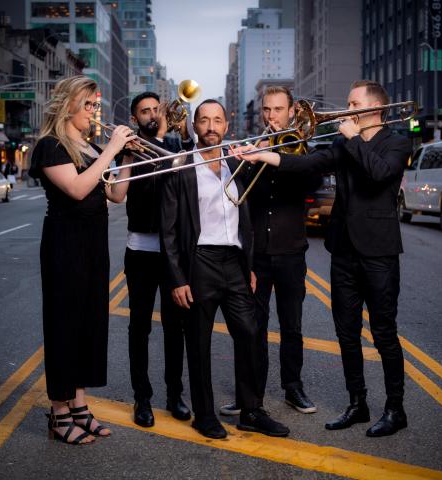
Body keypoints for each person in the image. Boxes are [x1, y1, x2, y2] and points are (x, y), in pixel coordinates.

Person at [232, 80, 412, 437]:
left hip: (378, 252)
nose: (344, 109)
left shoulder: (397, 142)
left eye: (352, 103)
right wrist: (265, 155)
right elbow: (309, 165)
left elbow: (379, 174)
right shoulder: (342, 142)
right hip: (343, 250)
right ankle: (357, 403)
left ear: (373, 109)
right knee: (347, 334)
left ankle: (395, 409)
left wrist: (355, 139)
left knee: (383, 333)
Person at [160, 99, 289, 440]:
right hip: (199, 260)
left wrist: (247, 264)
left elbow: (243, 218)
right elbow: (168, 230)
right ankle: (204, 415)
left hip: (233, 261)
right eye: (204, 120)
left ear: (227, 125)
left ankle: (251, 410)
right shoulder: (181, 165)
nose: (211, 126)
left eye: (217, 120)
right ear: (195, 126)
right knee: (199, 342)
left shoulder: (235, 162)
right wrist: (177, 278)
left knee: (249, 332)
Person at [29, 75, 136, 445]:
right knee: (64, 326)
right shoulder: (50, 146)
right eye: (89, 105)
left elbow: (116, 194)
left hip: (93, 243)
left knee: (90, 324)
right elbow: (76, 189)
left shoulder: (91, 147)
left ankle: (79, 406)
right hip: (64, 245)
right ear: (68, 105)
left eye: (96, 105)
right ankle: (59, 414)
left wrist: (127, 157)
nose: (95, 112)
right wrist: (112, 149)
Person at [220, 86, 318, 417]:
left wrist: (273, 154)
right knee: (253, 327)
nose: (271, 116)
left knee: (292, 325)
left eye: (278, 109)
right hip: (257, 255)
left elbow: (311, 179)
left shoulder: (304, 152)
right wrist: (247, 159)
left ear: (292, 112)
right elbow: (237, 193)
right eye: (266, 110)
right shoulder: (254, 147)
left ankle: (293, 388)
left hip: (291, 252)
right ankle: (251, 394)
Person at [114, 92, 193, 428]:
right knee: (140, 327)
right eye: (143, 111)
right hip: (141, 250)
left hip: (174, 252)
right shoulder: (128, 149)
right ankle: (142, 398)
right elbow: (118, 195)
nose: (150, 114)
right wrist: (127, 155)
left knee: (176, 328)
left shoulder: (175, 145)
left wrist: (186, 132)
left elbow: (194, 170)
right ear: (135, 118)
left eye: (154, 109)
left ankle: (175, 394)